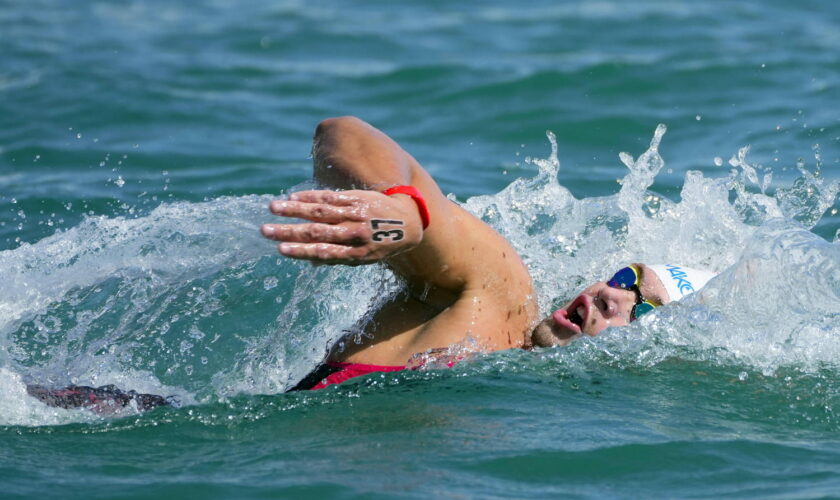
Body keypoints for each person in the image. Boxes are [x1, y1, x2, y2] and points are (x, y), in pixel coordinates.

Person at [27, 117, 717, 411]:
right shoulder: (497, 298)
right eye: (624, 276)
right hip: (120, 422)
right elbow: (342, 134)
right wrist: (405, 212)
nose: (608, 297)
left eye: (639, 305)